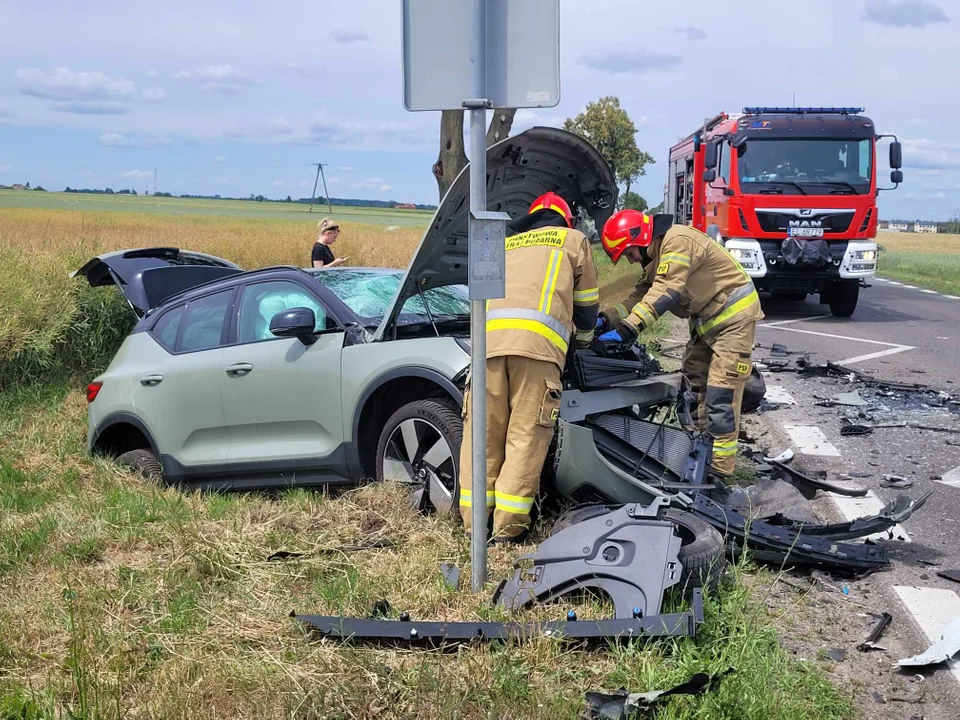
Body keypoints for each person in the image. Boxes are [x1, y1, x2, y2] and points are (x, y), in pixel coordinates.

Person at [458, 191, 600, 542]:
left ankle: (474, 526)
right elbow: (586, 307)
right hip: (537, 353)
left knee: (482, 437)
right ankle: (507, 530)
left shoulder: (505, 243)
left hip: (486, 349)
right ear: (566, 220)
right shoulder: (574, 239)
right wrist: (582, 345)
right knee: (525, 438)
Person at [595, 210, 764, 479]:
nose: (631, 260)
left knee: (721, 393)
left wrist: (629, 329)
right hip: (707, 323)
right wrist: (605, 320)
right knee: (693, 385)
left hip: (734, 319)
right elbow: (639, 296)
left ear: (639, 238)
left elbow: (666, 291)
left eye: (629, 253)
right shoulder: (656, 254)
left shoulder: (676, 241)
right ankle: (697, 452)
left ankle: (718, 473)